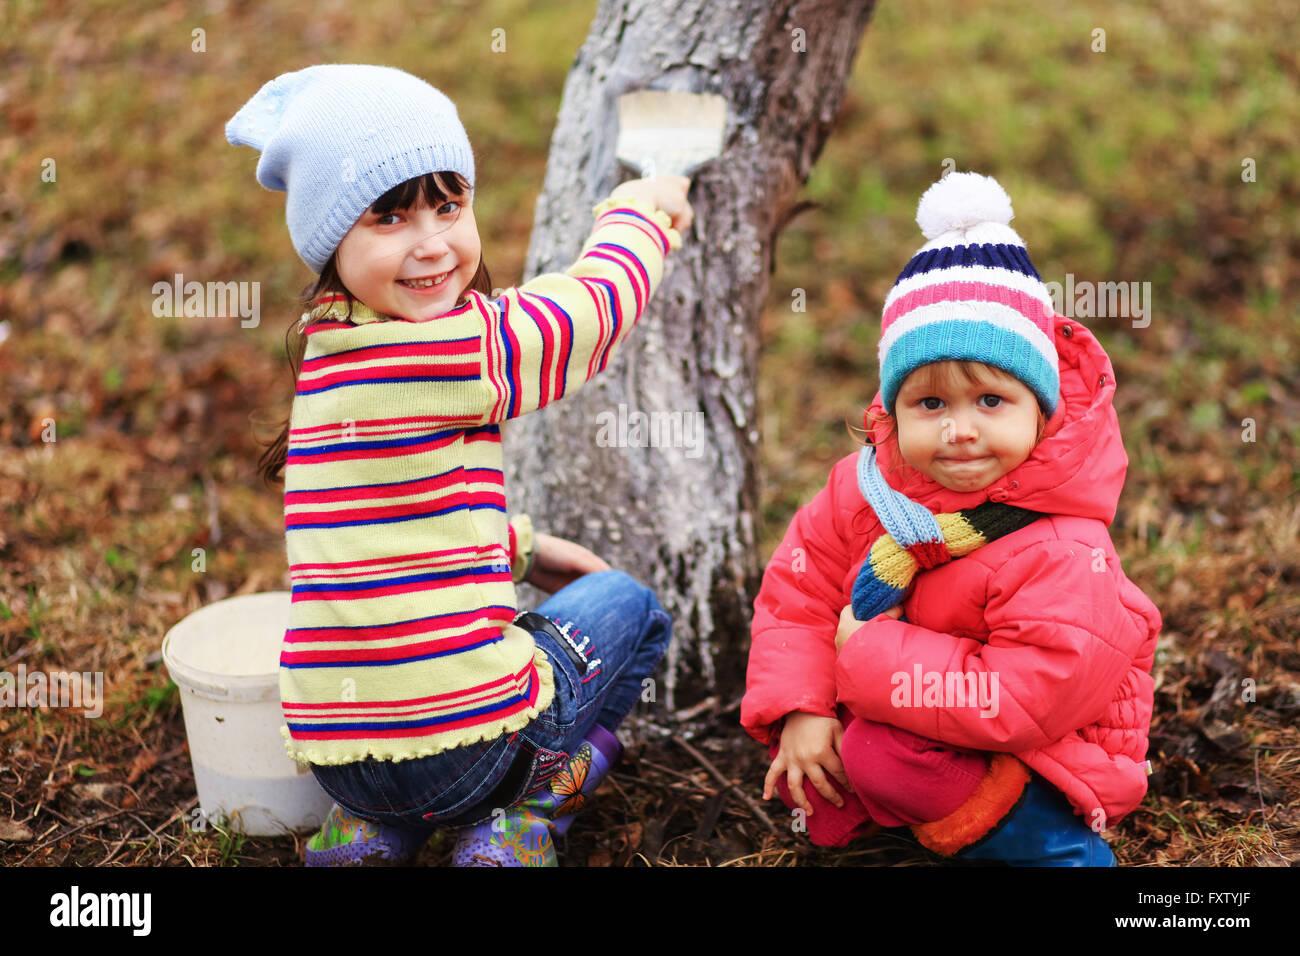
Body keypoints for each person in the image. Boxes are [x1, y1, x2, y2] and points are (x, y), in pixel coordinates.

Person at [226, 64, 691, 865]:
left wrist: (522, 551)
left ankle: (373, 833)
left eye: (449, 203)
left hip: (340, 763)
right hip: (471, 752)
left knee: (412, 745)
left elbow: (382, 519)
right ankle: (531, 811)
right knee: (633, 605)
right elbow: (591, 310)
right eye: (390, 216)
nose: (433, 242)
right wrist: (645, 210)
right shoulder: (457, 345)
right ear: (330, 239)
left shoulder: (328, 360)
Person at [741, 171, 1162, 866]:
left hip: (1042, 753)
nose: (959, 430)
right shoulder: (865, 492)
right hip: (916, 716)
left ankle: (1050, 847)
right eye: (929, 404)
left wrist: (864, 654)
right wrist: (804, 708)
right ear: (893, 409)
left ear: (1041, 408)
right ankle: (914, 813)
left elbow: (1028, 696)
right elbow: (799, 595)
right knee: (837, 762)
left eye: (991, 401)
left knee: (877, 754)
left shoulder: (1060, 541)